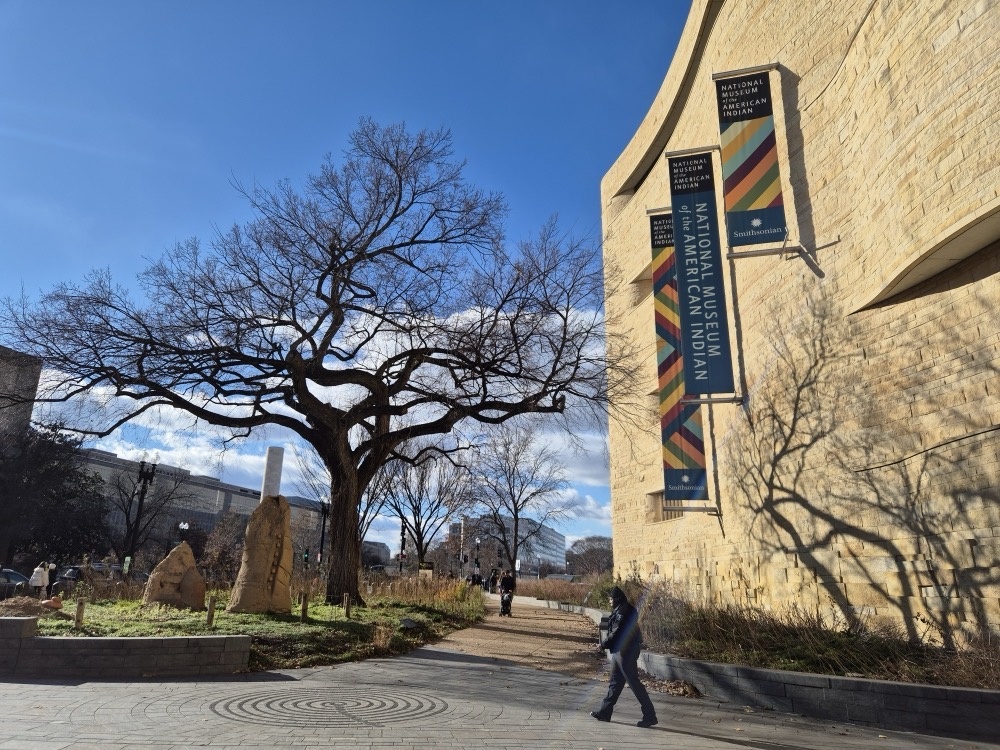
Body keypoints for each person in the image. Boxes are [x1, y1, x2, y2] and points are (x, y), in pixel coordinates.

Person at [590, 586, 658, 728]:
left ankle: (650, 716)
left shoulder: (623, 611)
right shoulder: (621, 609)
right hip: (620, 651)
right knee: (615, 682)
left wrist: (603, 645)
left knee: (634, 684)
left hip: (626, 651)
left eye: (611, 599)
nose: (609, 601)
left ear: (617, 598)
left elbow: (617, 631)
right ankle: (605, 712)